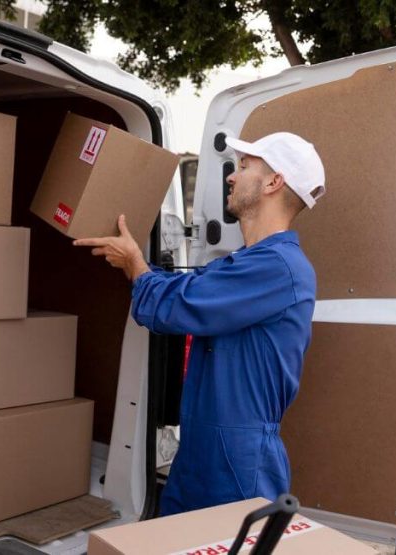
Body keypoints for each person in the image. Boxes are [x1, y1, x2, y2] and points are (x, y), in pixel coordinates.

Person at [74, 132, 326, 515]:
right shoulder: (247, 262)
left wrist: (135, 265)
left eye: (243, 167)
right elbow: (191, 288)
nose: (231, 176)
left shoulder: (278, 268)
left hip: (238, 458)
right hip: (203, 447)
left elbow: (180, 305)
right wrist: (142, 267)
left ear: (274, 182)